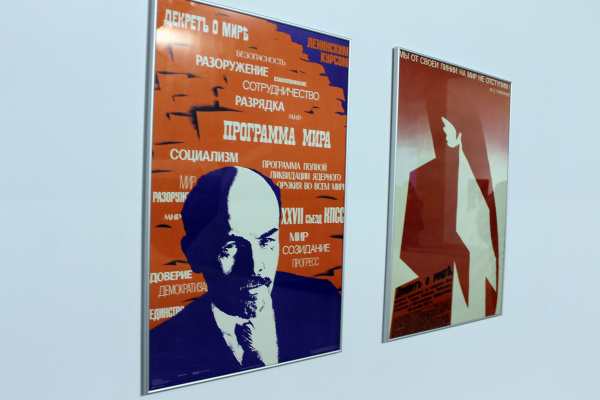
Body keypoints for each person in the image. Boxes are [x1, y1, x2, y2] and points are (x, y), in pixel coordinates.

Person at [149, 167, 341, 390]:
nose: (255, 266)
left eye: (266, 241)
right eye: (231, 246)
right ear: (193, 253)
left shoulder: (323, 301)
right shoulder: (161, 348)